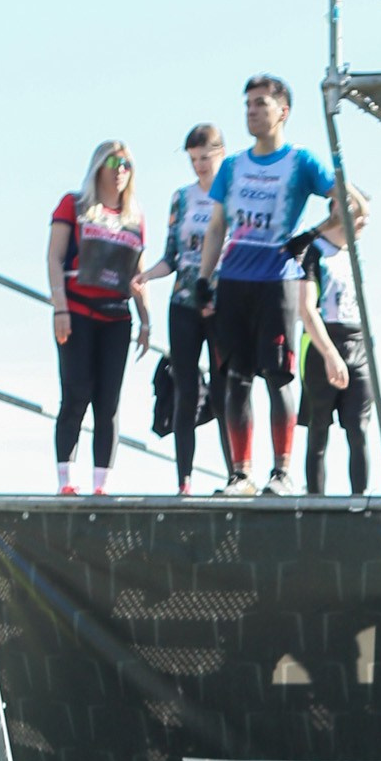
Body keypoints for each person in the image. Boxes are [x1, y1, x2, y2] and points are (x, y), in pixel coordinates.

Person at [197, 76, 335, 498]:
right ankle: (240, 475)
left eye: (260, 104)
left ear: (283, 111)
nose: (252, 111)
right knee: (235, 378)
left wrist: (312, 234)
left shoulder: (302, 161)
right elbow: (217, 225)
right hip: (234, 281)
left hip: (277, 281)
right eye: (247, 105)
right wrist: (204, 280)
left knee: (278, 376)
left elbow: (355, 204)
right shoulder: (234, 165)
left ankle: (283, 473)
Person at [47, 143, 149, 497]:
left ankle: (102, 485)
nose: (120, 169)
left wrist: (146, 320)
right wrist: (60, 308)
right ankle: (66, 481)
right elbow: (54, 257)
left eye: (127, 164)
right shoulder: (73, 205)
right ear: (98, 166)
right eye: (113, 162)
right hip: (76, 311)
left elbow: (137, 274)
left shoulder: (134, 216)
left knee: (108, 404)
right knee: (76, 394)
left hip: (116, 317)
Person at [151, 123, 223, 498]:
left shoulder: (232, 194)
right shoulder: (181, 198)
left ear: (221, 154)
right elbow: (171, 258)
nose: (199, 166)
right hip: (182, 302)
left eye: (205, 158)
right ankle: (184, 481)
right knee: (185, 389)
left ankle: (236, 476)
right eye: (194, 160)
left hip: (221, 303)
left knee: (227, 389)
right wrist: (145, 275)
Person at [297, 187, 373, 497]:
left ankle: (361, 502)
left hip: (357, 343)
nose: (365, 221)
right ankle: (316, 502)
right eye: (360, 213)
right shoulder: (314, 251)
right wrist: (329, 354)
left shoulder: (353, 254)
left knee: (359, 429)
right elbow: (306, 308)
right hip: (321, 343)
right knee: (318, 431)